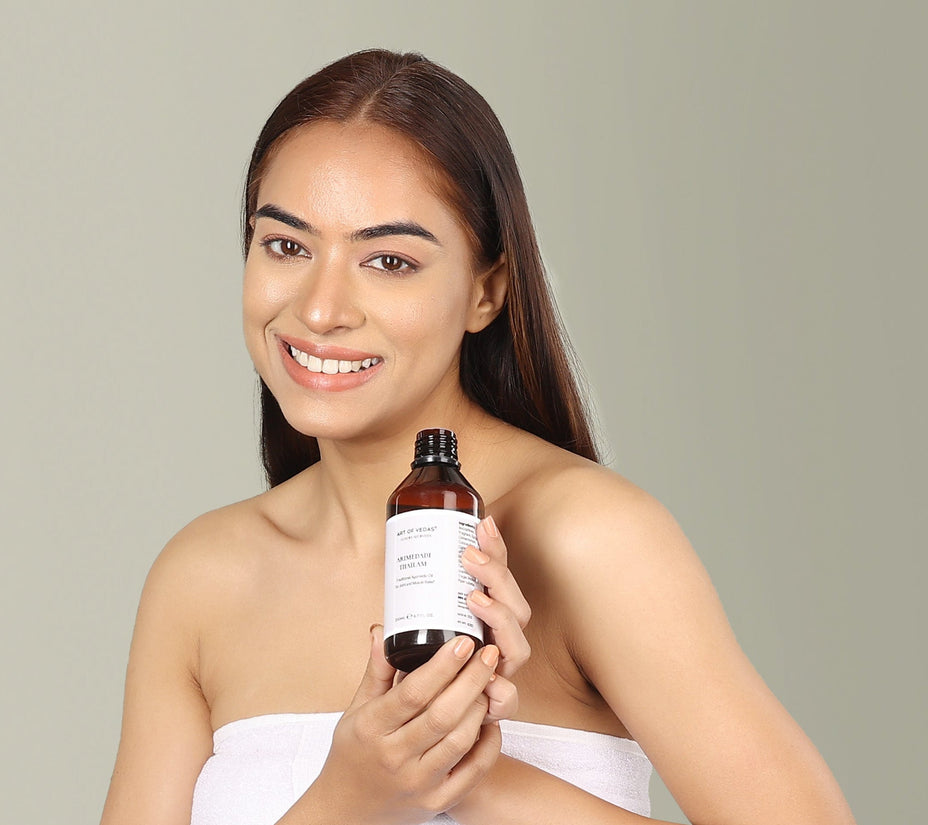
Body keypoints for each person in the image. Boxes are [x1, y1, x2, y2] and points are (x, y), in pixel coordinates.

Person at [100, 49, 856, 825]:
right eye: (287, 245)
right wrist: (346, 800)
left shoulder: (586, 540)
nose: (321, 309)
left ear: (485, 291)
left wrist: (471, 770)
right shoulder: (201, 581)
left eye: (389, 260)